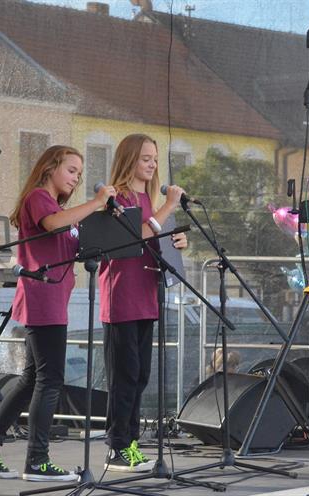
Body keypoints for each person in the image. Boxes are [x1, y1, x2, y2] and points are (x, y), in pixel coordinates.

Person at [0, 145, 116, 482]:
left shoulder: (63, 210)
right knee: (50, 381)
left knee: (31, 379)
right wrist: (95, 203)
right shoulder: (39, 199)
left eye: (79, 173)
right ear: (50, 167)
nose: (77, 178)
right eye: (71, 170)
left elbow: (75, 243)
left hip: (53, 298)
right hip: (43, 297)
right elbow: (52, 225)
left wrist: (108, 223)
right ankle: (37, 460)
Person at [99, 134, 187, 472]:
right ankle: (117, 445)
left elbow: (154, 237)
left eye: (154, 159)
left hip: (147, 295)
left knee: (140, 375)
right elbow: (137, 234)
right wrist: (168, 209)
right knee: (124, 374)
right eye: (145, 158)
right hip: (121, 297)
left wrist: (175, 240)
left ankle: (131, 442)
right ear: (129, 160)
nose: (152, 165)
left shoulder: (149, 199)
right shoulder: (117, 197)